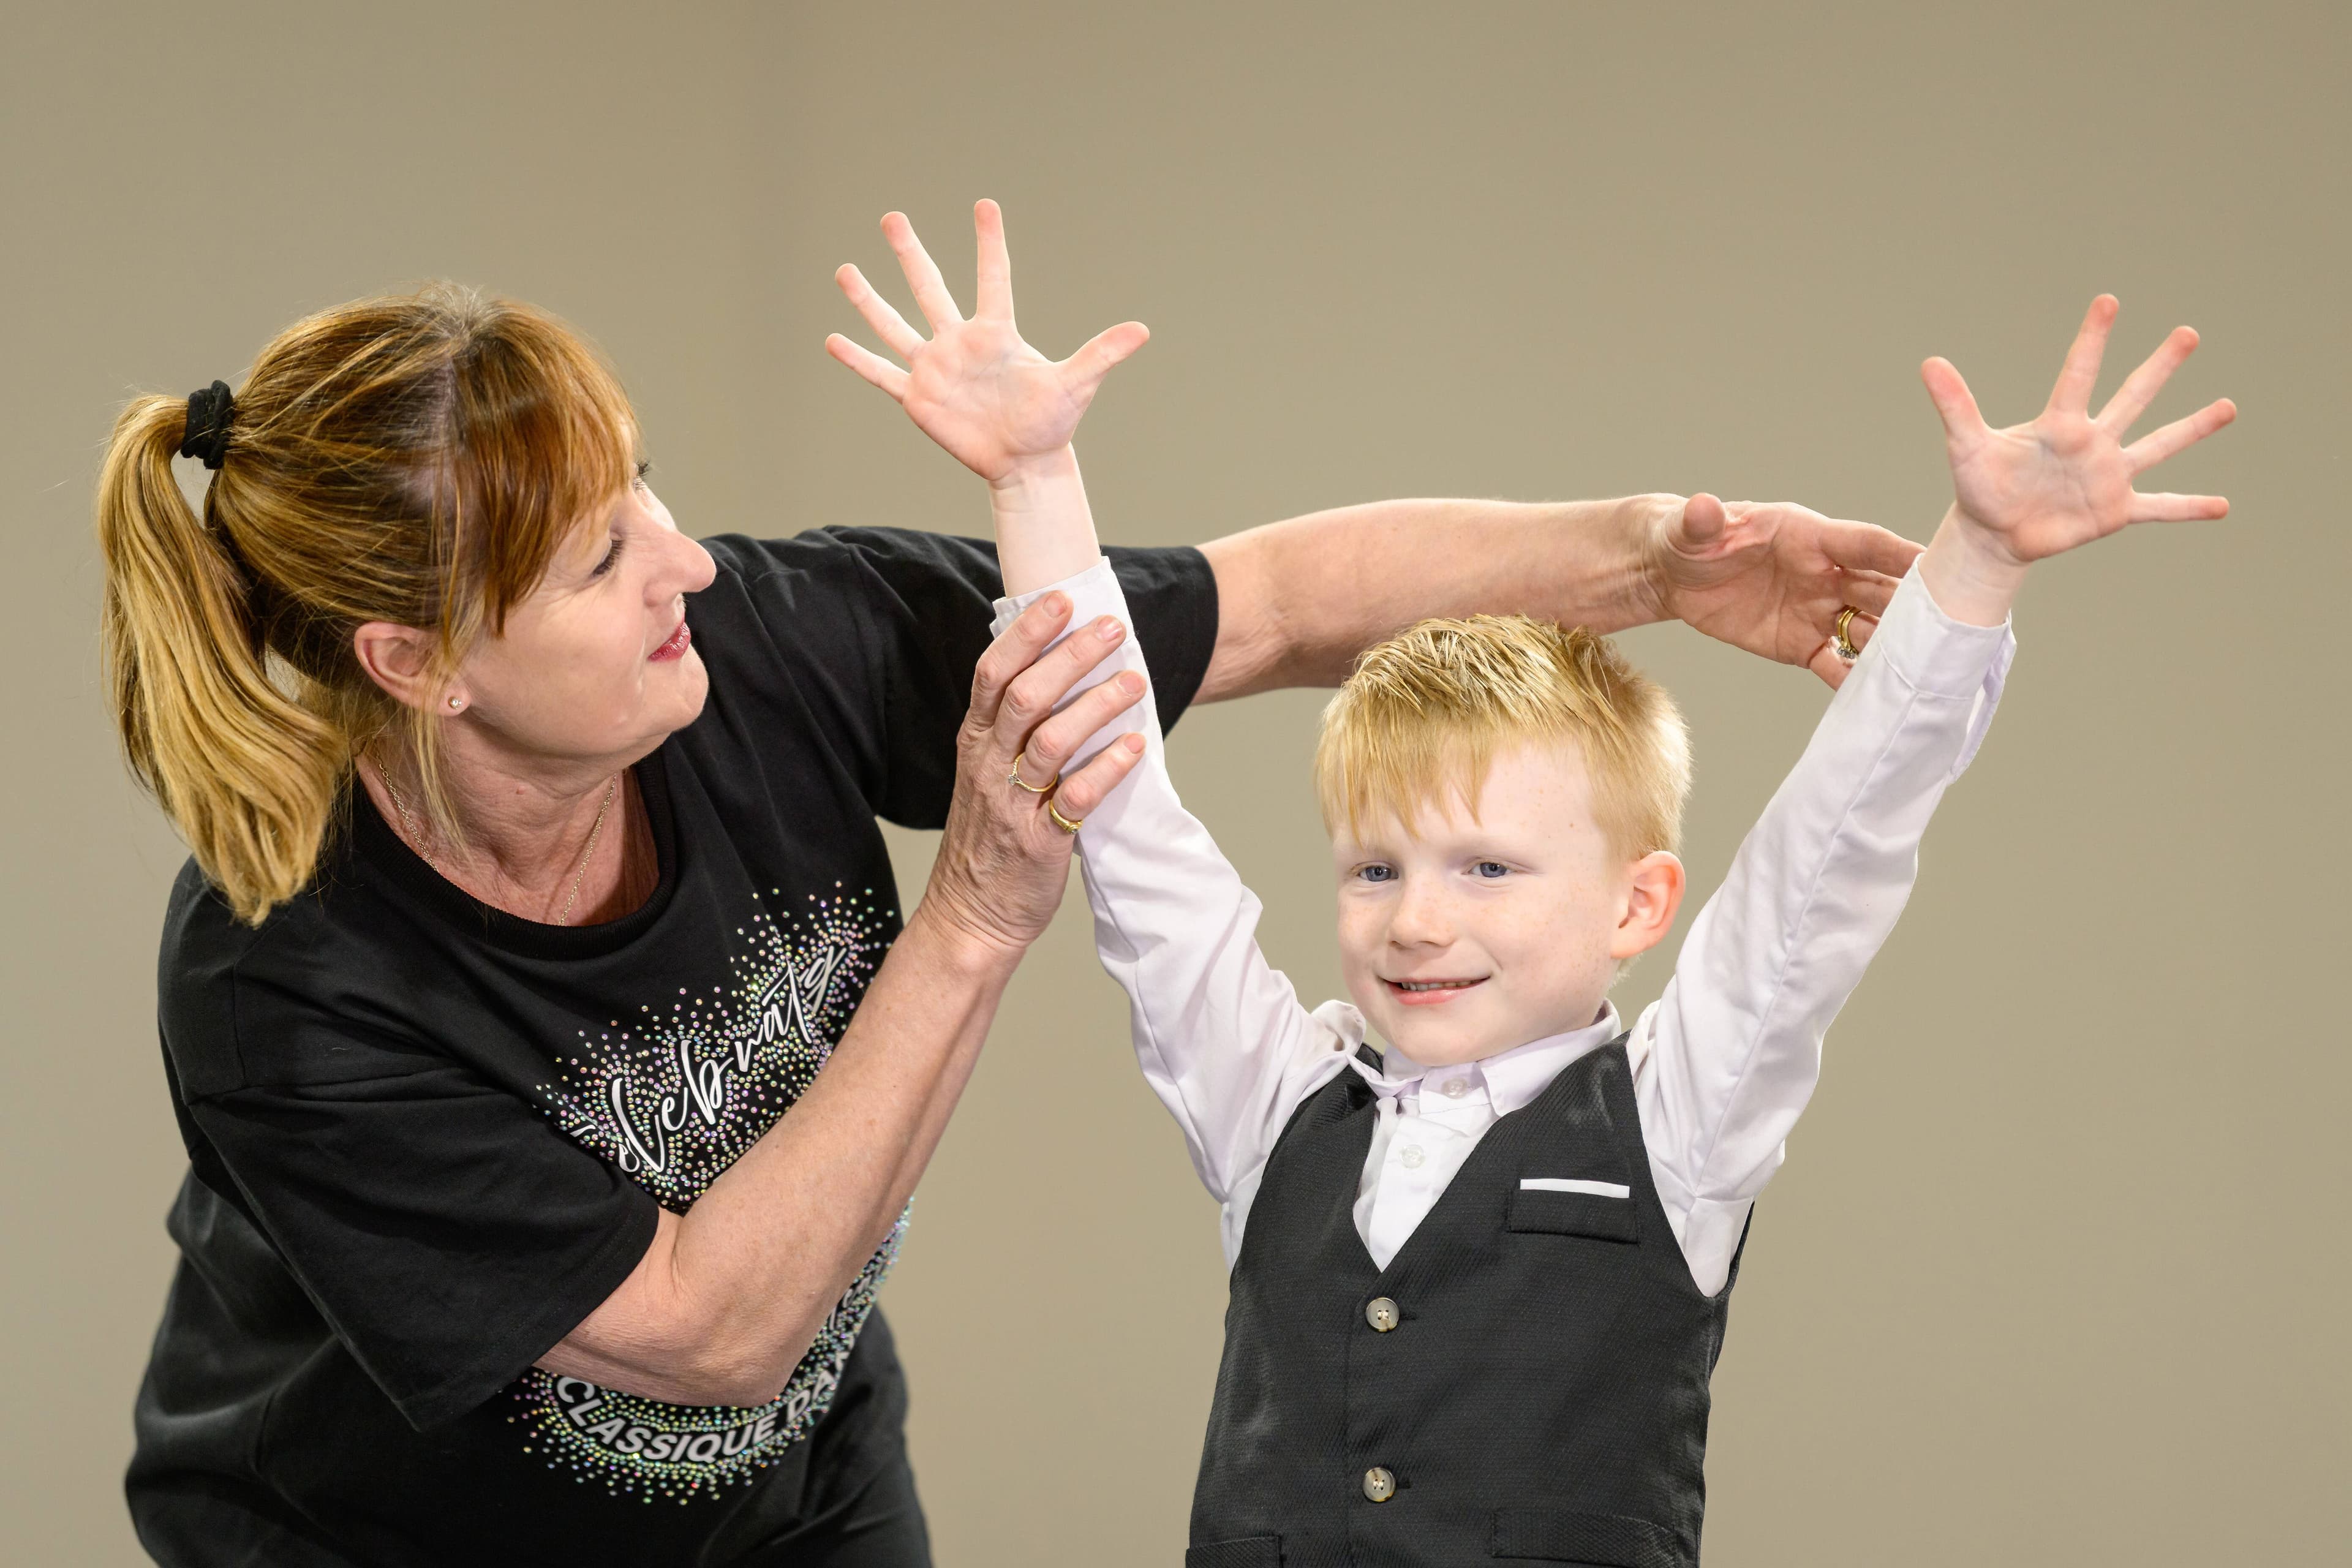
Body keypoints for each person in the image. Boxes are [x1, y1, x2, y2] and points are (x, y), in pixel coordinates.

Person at [107, 208, 1930, 1567]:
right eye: (599, 559)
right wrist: (974, 911)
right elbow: (716, 1335)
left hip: (799, 1510)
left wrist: (1653, 561)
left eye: (644, 486)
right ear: (416, 664)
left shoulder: (769, 646)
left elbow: (1273, 604)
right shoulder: (290, 978)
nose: (682, 560)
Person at [841, 224, 2235, 1566]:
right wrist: (1034, 482)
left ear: (1639, 906)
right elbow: (1127, 810)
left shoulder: (1681, 1120)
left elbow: (1836, 849)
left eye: (1488, 868)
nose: (1417, 920)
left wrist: (1975, 564)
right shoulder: (1277, 1106)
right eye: (1377, 866)